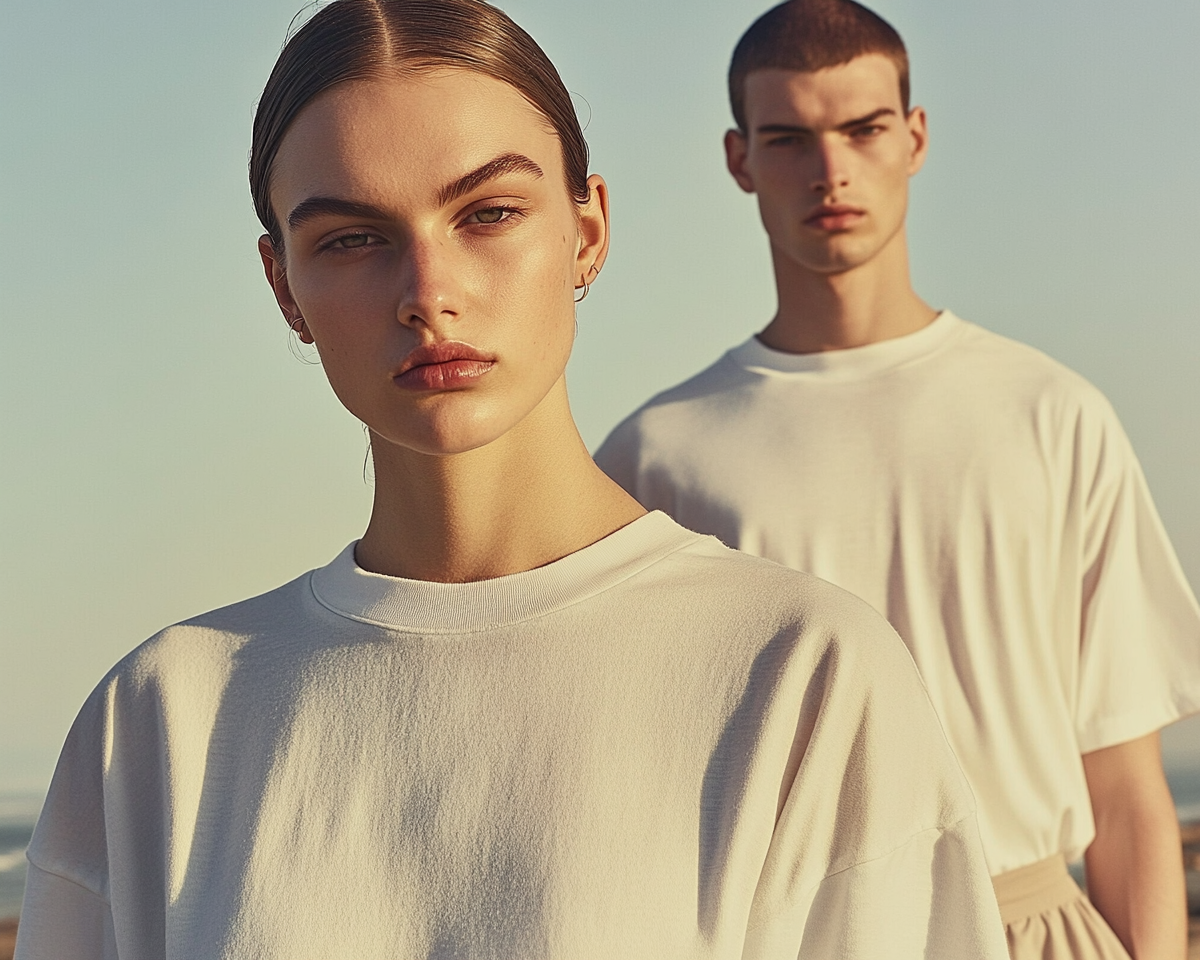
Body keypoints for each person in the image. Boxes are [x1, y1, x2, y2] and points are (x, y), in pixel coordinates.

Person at [14, 1, 1008, 957]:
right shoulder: (160, 722)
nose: (429, 292)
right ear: (285, 287)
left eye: (487, 213)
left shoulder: (801, 675)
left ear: (586, 232)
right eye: (352, 239)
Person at [594, 1, 1200, 958]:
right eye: (788, 137)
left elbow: (1125, 791)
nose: (830, 170)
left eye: (863, 129)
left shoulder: (1051, 414)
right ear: (739, 159)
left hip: (1033, 925)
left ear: (913, 137)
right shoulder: (657, 457)